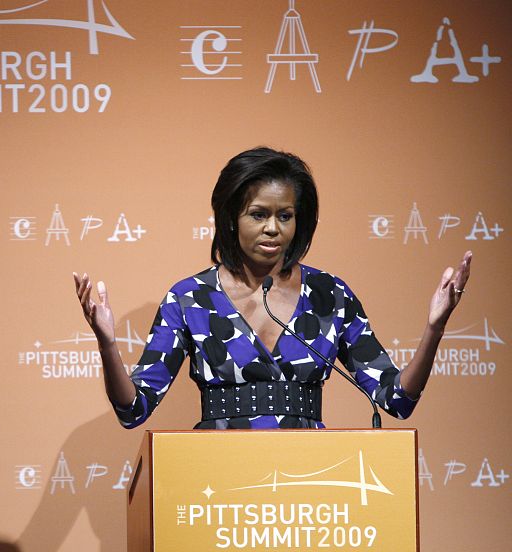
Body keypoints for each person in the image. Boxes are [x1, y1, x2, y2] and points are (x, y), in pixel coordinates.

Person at [73, 147, 471, 429]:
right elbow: (133, 410)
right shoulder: (189, 298)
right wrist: (108, 344)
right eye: (258, 214)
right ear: (231, 219)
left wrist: (435, 328)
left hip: (308, 487)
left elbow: (396, 400)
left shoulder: (330, 295)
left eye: (285, 215)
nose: (273, 228)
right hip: (216, 484)